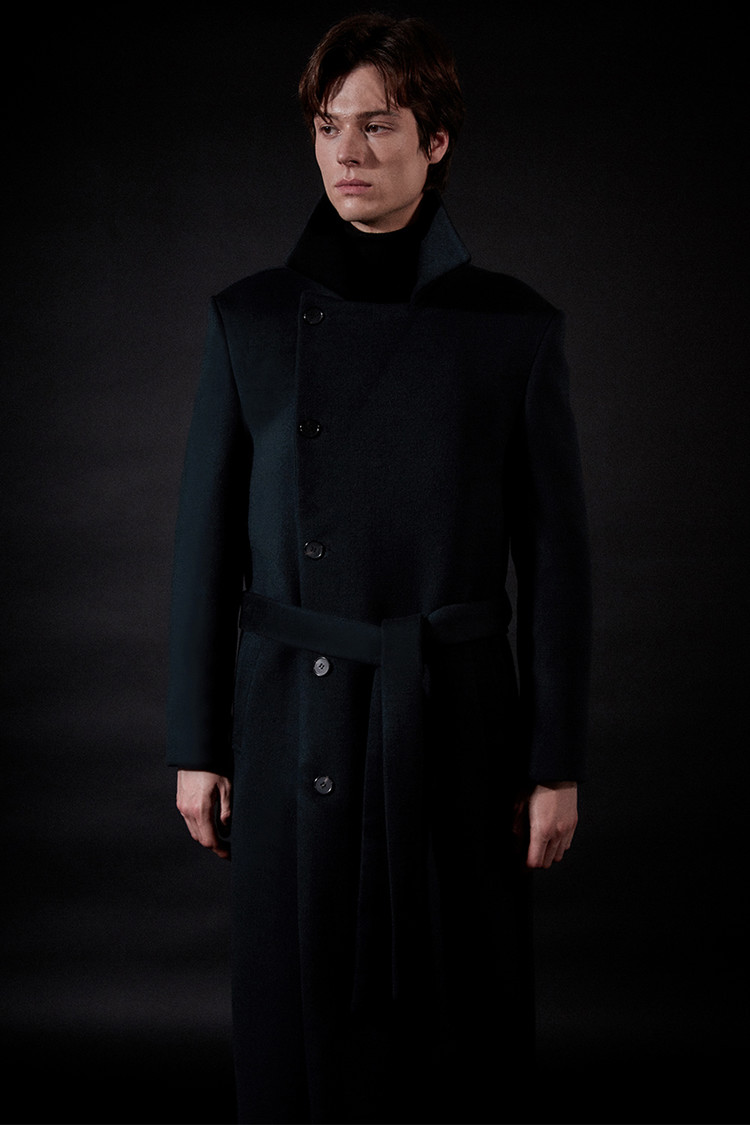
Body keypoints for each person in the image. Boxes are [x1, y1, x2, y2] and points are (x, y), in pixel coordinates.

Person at [168, 12, 591, 1124]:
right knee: (296, 1016)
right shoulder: (249, 321)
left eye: (377, 125)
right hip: (287, 716)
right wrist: (195, 745)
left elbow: (555, 565)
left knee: (455, 1012)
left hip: (452, 718)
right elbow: (204, 545)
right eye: (327, 127)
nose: (346, 152)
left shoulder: (515, 330)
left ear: (436, 141)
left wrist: (554, 762)